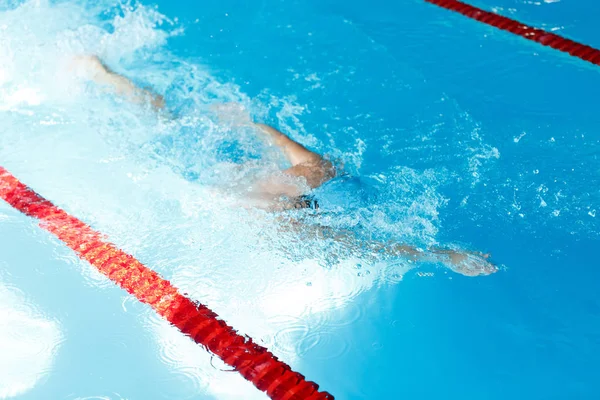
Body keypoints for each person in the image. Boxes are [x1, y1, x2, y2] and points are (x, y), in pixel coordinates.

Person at [71, 55, 498, 277]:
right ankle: (101, 74)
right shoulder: (312, 175)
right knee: (162, 113)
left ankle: (102, 75)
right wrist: (249, 124)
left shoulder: (293, 206)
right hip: (215, 168)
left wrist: (441, 255)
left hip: (208, 172)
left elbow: (374, 247)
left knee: (162, 116)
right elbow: (375, 246)